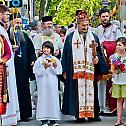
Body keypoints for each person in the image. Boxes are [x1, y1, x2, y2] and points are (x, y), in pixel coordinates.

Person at [61, 9, 108, 122]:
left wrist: (98, 60)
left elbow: (99, 53)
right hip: (75, 70)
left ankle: (93, 114)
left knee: (92, 92)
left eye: (87, 25)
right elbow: (65, 55)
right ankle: (80, 115)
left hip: (90, 70)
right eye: (83, 25)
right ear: (78, 25)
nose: (85, 27)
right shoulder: (70, 37)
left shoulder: (94, 37)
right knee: (77, 93)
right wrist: (64, 70)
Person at [96, 8, 124, 115]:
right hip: (101, 61)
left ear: (109, 17)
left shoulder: (115, 29)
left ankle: (112, 107)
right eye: (103, 16)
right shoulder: (97, 29)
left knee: (112, 83)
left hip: (112, 60)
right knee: (100, 83)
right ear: (100, 18)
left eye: (107, 16)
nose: (105, 18)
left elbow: (121, 42)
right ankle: (101, 107)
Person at [9, 12, 36, 121]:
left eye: (20, 23)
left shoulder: (24, 35)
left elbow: (31, 50)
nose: (19, 25)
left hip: (23, 70)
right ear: (11, 22)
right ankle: (14, 115)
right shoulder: (7, 34)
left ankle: (25, 115)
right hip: (11, 69)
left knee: (24, 91)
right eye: (16, 23)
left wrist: (32, 60)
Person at [33, 41, 62, 126]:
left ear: (51, 49)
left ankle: (53, 120)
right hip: (43, 84)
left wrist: (55, 66)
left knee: (53, 100)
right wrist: (44, 68)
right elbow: (35, 71)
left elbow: (59, 71)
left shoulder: (55, 59)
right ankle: (44, 120)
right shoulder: (39, 60)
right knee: (43, 100)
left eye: (48, 48)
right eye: (44, 48)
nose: (46, 49)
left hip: (52, 83)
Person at [0, 4, 20, 126]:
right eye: (7, 14)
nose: (9, 17)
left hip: (4, 65)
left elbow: (6, 51)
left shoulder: (3, 29)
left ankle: (7, 118)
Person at [109, 37, 126, 126]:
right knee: (119, 101)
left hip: (125, 82)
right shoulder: (114, 57)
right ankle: (119, 120)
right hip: (117, 81)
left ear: (125, 46)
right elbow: (112, 70)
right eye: (117, 45)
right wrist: (116, 69)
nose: (117, 47)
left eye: (120, 45)